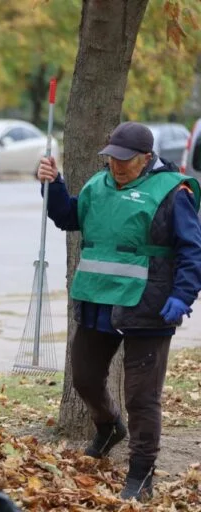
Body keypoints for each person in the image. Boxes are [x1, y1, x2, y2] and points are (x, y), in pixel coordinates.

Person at [37, 121, 201, 501]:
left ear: (146, 159)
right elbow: (69, 218)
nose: (117, 166)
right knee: (86, 377)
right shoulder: (98, 185)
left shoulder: (172, 193)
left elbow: (192, 250)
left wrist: (183, 295)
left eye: (125, 161)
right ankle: (110, 427)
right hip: (98, 298)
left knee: (142, 397)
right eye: (112, 159)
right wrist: (53, 185)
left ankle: (141, 476)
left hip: (150, 304)